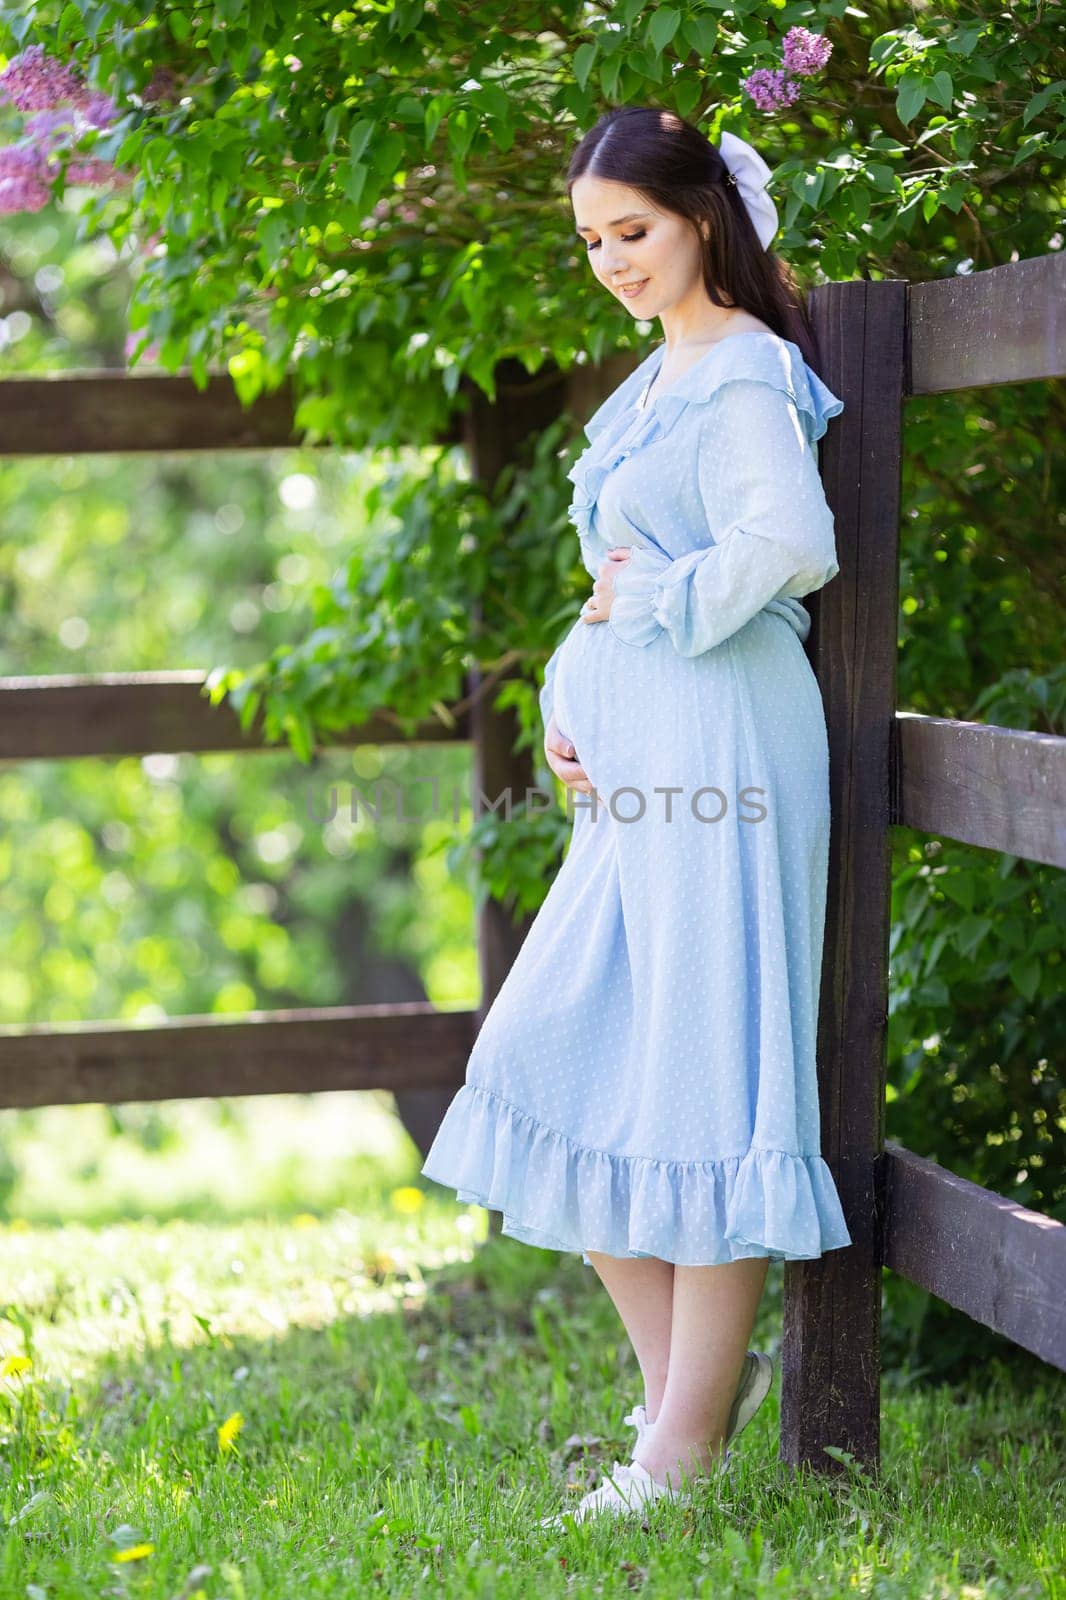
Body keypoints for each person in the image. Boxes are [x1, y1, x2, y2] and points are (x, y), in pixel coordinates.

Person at [420, 105, 853, 1525]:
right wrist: (570, 695)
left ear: (704, 218)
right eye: (592, 239)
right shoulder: (663, 375)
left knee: (704, 1066)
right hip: (644, 762)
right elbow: (616, 573)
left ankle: (674, 1454)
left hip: (724, 744)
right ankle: (683, 1432)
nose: (610, 258)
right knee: (564, 1050)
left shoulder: (737, 374)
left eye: (634, 230)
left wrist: (648, 609)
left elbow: (786, 545)